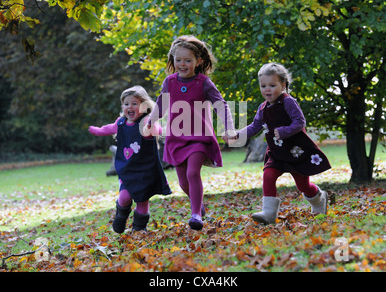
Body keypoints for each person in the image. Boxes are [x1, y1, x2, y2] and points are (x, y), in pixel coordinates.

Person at [146, 35, 236, 230]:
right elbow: (161, 104)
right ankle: (198, 204)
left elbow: (221, 105)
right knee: (183, 182)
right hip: (176, 138)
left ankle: (195, 215)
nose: (182, 64)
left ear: (198, 61)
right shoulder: (169, 82)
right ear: (173, 60)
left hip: (198, 138)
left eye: (188, 60)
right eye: (178, 60)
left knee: (193, 172)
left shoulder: (204, 82)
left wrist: (228, 127)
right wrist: (150, 121)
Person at [227, 62, 331, 224]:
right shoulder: (262, 108)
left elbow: (299, 122)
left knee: (303, 185)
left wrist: (284, 131)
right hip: (276, 152)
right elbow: (254, 127)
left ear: (283, 85)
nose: (267, 89)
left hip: (296, 151)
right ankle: (269, 213)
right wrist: (236, 135)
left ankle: (319, 198)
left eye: (272, 85)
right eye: (263, 86)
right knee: (268, 175)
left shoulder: (288, 102)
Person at [88, 86, 172, 233]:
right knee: (125, 196)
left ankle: (139, 229)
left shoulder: (146, 121)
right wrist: (97, 130)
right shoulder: (120, 123)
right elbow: (108, 128)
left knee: (142, 200)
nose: (130, 107)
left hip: (146, 170)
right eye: (127, 104)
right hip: (127, 169)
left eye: (135, 103)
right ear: (122, 107)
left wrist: (152, 126)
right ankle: (121, 213)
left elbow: (157, 129)